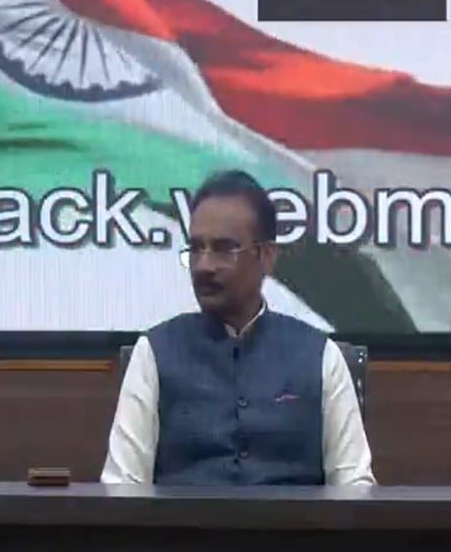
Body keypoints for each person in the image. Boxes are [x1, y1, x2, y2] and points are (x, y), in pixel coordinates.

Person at [101, 169, 375, 485]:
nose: (204, 266)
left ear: (267, 256)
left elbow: (354, 488)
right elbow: (122, 486)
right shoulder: (153, 354)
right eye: (196, 248)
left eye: (223, 249)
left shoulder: (321, 357)